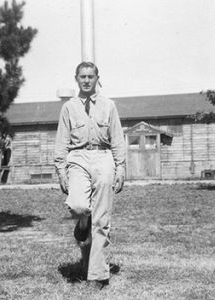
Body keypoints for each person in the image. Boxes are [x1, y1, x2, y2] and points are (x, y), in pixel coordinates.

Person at [54, 62, 126, 289]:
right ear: (76, 79)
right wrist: (61, 170)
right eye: (82, 77)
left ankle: (96, 274)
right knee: (78, 206)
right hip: (77, 159)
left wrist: (121, 167)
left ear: (97, 78)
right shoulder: (69, 108)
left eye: (90, 76)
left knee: (102, 218)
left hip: (104, 158)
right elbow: (61, 142)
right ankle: (82, 223)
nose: (86, 80)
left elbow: (117, 138)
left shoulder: (109, 106)